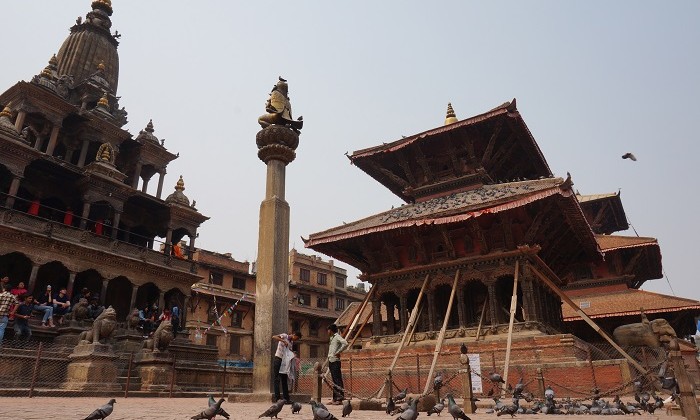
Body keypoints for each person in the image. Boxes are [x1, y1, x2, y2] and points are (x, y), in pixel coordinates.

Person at [272, 330, 302, 404]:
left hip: (284, 361)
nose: (296, 340)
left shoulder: (291, 343)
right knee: (276, 379)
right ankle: (277, 398)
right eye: (296, 338)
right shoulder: (285, 336)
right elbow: (274, 337)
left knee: (284, 379)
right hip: (278, 358)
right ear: (294, 335)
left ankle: (286, 398)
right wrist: (283, 341)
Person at [327, 324, 348, 404]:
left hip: (335, 360)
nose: (327, 332)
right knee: (334, 381)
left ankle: (340, 398)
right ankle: (335, 398)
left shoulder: (337, 336)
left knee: (338, 380)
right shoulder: (331, 338)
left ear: (331, 330)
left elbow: (345, 343)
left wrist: (339, 352)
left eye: (328, 330)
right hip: (331, 360)